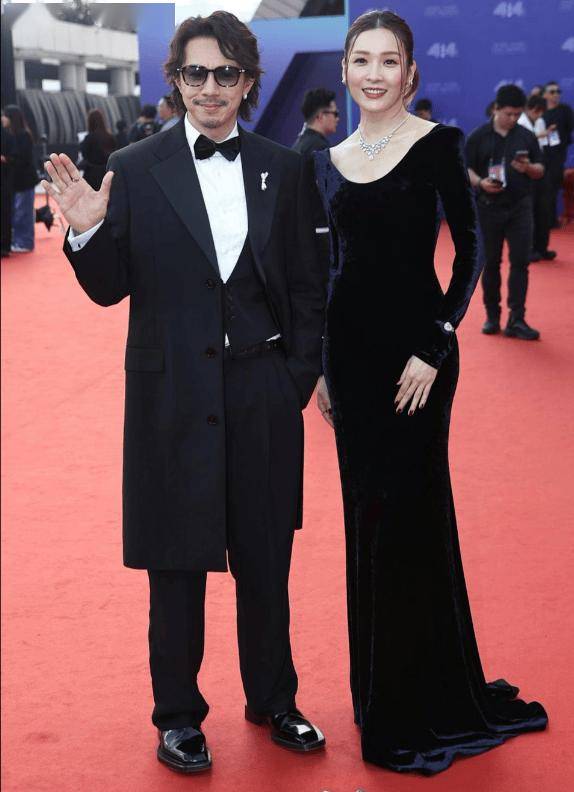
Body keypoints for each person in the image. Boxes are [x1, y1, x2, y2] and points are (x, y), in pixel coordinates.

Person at [42, 10, 326, 775]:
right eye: (196, 72)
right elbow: (110, 288)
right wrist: (86, 233)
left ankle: (274, 698)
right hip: (171, 395)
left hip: (262, 392)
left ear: (248, 81)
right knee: (175, 566)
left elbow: (307, 286)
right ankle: (177, 717)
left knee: (266, 559)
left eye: (226, 73)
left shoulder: (284, 167)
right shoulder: (134, 168)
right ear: (176, 79)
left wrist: (294, 379)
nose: (210, 87)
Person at [313, 9, 548, 775]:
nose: (374, 74)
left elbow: (470, 250)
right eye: (362, 60)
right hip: (349, 366)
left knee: (410, 522)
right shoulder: (326, 160)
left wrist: (436, 343)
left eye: (389, 60)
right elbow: (325, 274)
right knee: (364, 525)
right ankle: (379, 698)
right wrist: (319, 368)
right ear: (345, 70)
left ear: (411, 72)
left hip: (419, 363)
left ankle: (426, 695)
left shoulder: (439, 145)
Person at [466, 84, 545, 340]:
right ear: (496, 108)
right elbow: (465, 169)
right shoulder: (478, 137)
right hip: (488, 208)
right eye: (508, 113)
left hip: (520, 207)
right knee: (491, 264)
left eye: (517, 114)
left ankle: (517, 319)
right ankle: (492, 316)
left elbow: (540, 169)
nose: (513, 119)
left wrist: (528, 168)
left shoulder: (526, 136)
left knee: (521, 263)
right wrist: (481, 183)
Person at [292, 88, 340, 280]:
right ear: (321, 116)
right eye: (335, 113)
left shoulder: (301, 144)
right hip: (319, 236)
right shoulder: (319, 149)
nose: (338, 118)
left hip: (304, 235)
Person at [518, 96, 556, 261]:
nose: (539, 115)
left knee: (544, 210)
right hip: (525, 171)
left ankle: (542, 247)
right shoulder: (519, 121)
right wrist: (542, 134)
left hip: (541, 167)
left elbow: (543, 144)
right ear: (530, 109)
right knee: (529, 213)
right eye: (537, 112)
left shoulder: (540, 121)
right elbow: (526, 141)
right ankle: (528, 250)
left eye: (541, 112)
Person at [2, 105, 38, 253]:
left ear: (12, 118)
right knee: (17, 212)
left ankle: (25, 242)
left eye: (5, 115)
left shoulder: (23, 135)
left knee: (23, 213)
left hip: (25, 181)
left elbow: (24, 159)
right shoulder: (14, 135)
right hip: (17, 181)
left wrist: (7, 159)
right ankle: (19, 240)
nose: (3, 118)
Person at [542, 81, 574, 226]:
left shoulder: (565, 110)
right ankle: (545, 220)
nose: (556, 94)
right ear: (545, 95)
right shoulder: (541, 112)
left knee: (553, 188)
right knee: (543, 190)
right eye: (552, 91)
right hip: (541, 155)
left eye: (558, 91)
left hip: (557, 156)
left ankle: (551, 221)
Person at [292, 88, 340, 156]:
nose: (337, 119)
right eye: (335, 114)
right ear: (321, 116)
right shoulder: (320, 147)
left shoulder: (298, 145)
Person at [79, 109, 117, 191]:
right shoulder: (110, 137)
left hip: (92, 174)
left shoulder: (89, 138)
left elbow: (84, 154)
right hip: (107, 172)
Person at [1, 119, 16, 257]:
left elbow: (15, 158)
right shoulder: (8, 135)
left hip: (5, 180)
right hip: (6, 181)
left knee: (5, 214)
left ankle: (5, 246)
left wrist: (4, 158)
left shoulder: (7, 136)